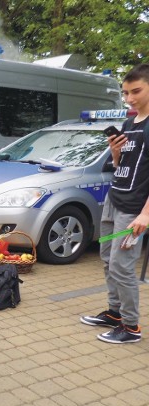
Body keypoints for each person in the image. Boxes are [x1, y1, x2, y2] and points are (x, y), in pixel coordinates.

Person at [80, 63, 149, 344]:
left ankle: (131, 327)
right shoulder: (128, 123)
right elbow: (122, 166)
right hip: (114, 198)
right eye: (125, 93)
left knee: (123, 267)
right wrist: (115, 152)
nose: (130, 99)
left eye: (136, 91)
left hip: (134, 209)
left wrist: (145, 215)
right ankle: (114, 313)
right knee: (108, 259)